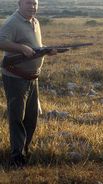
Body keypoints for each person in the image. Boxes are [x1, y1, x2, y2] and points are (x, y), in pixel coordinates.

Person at [0, 0, 56, 167]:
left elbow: (35, 47)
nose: (32, 6)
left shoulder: (35, 21)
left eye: (35, 3)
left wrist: (46, 50)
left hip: (32, 78)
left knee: (31, 118)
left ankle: (24, 150)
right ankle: (16, 158)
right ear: (19, 4)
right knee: (17, 118)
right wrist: (21, 48)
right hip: (16, 78)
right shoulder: (13, 22)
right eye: (28, 3)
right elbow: (1, 42)